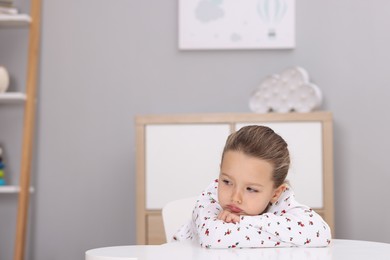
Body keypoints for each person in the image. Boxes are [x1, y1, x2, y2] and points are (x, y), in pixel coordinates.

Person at [173, 125, 332, 248]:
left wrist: (243, 221)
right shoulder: (210, 196)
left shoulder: (282, 201)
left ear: (276, 193)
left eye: (251, 189)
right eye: (227, 182)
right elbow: (214, 237)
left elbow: (320, 233)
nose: (235, 197)